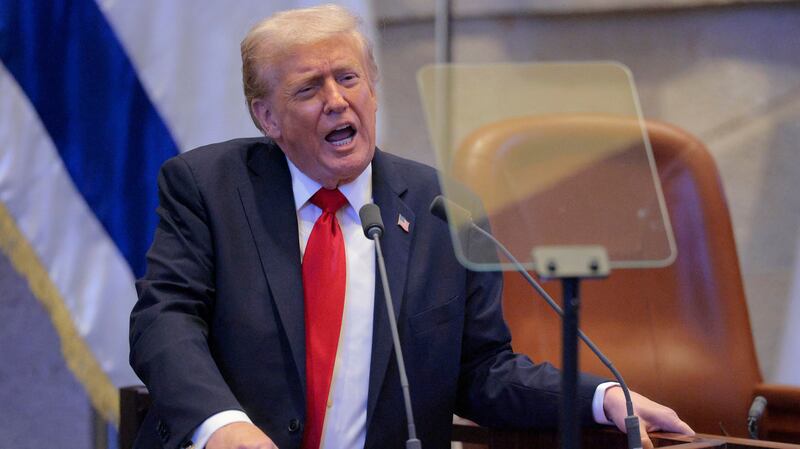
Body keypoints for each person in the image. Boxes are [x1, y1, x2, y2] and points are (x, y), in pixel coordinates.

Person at [130, 4, 694, 449]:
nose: (336, 100)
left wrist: (599, 399)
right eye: (308, 88)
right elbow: (164, 320)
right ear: (266, 117)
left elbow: (482, 369)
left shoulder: (443, 207)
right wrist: (221, 426)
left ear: (372, 89)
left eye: (349, 78)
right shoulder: (209, 187)